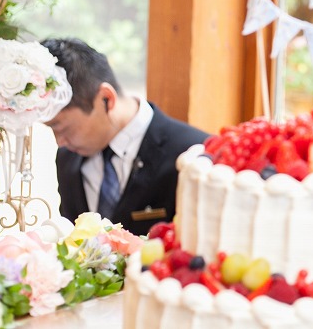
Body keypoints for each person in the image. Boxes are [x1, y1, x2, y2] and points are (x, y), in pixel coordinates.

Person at [42, 37, 209, 236]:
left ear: (106, 99)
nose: (59, 142)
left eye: (63, 128)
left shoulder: (194, 151)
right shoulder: (68, 158)